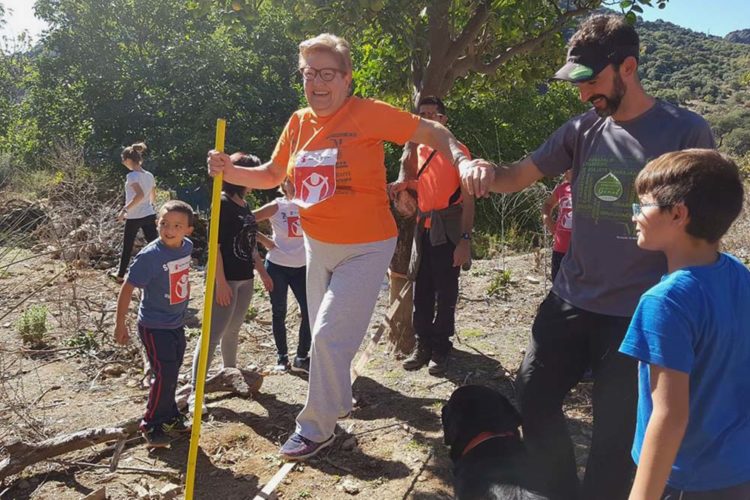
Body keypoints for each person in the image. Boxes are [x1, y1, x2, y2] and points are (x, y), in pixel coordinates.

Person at [459, 14, 715, 500]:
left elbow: (701, 230)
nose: (583, 95)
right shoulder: (582, 129)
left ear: (629, 68)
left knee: (615, 438)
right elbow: (517, 175)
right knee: (532, 398)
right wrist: (485, 171)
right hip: (570, 298)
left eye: (592, 82)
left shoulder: (686, 131)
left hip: (637, 313)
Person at [207, 33, 493, 461]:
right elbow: (269, 174)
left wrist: (462, 158)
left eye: (327, 74)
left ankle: (315, 429)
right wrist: (229, 169)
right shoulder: (299, 121)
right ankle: (338, 403)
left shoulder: (368, 114)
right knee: (330, 337)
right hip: (317, 245)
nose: (316, 83)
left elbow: (432, 131)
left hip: (367, 245)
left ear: (346, 79)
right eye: (308, 74)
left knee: (325, 335)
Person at [619, 149, 749, 500]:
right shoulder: (738, 275)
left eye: (642, 206)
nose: (635, 217)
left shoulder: (664, 302)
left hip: (684, 480)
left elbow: (669, 416)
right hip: (737, 472)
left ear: (678, 214)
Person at [390, 95, 475, 376]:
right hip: (423, 230)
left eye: (431, 114)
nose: (425, 119)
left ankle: (441, 346)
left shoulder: (458, 150)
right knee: (422, 290)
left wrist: (464, 241)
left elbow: (468, 199)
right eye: (421, 114)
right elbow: (429, 184)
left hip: (447, 229)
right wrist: (407, 182)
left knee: (445, 292)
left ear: (443, 120)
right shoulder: (420, 151)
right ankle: (422, 344)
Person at [188, 152, 272, 414]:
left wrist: (262, 271)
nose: (255, 179)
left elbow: (248, 242)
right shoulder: (222, 203)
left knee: (233, 330)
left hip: (245, 278)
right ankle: (195, 392)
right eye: (253, 173)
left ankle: (230, 376)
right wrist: (220, 282)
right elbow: (216, 247)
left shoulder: (244, 204)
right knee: (212, 334)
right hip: (225, 279)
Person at [113, 200, 195, 448]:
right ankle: (150, 423)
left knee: (172, 370)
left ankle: (170, 417)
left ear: (188, 230)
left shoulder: (186, 247)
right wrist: (120, 325)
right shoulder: (151, 256)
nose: (169, 229)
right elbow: (127, 288)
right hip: (154, 324)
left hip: (176, 322)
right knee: (165, 373)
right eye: (164, 224)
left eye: (177, 225)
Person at [254, 177, 311, 374]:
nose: (294, 183)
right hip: (277, 266)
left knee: (310, 311)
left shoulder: (311, 205)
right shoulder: (277, 206)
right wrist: (264, 241)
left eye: (299, 178)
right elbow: (244, 220)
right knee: (279, 311)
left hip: (303, 267)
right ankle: (282, 357)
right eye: (290, 179)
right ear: (283, 184)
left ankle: (302, 356)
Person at [110, 142, 158, 284]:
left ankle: (120, 276)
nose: (124, 163)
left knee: (127, 247)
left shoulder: (132, 176)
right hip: (149, 213)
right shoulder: (149, 175)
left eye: (124, 160)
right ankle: (160, 272)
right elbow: (152, 195)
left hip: (134, 216)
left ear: (129, 160)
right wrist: (151, 207)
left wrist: (125, 210)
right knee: (154, 244)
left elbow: (139, 195)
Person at [542, 169, 573, 281]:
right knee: (558, 283)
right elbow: (547, 204)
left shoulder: (589, 190)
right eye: (569, 169)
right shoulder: (562, 189)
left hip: (582, 250)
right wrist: (548, 221)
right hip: (561, 247)